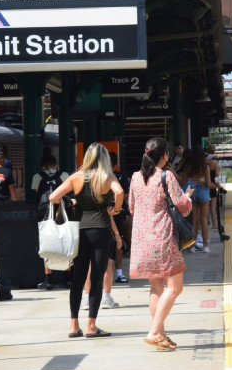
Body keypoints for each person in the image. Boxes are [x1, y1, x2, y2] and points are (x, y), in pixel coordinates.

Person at [48, 143, 124, 339]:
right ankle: (91, 325)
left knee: (78, 279)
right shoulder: (107, 177)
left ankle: (74, 325)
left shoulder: (76, 177)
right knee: (96, 279)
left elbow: (54, 197)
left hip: (79, 232)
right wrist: (115, 210)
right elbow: (120, 192)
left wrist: (71, 201)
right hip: (101, 231)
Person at [129, 136, 194, 351]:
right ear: (165, 155)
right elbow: (183, 207)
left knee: (156, 287)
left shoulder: (135, 177)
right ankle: (154, 331)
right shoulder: (167, 177)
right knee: (175, 287)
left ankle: (162, 336)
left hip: (142, 240)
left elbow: (131, 207)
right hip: (163, 238)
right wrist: (188, 197)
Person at [33, 153, 72, 290]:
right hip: (62, 214)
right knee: (64, 245)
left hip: (44, 217)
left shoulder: (37, 177)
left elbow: (34, 193)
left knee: (46, 247)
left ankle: (48, 281)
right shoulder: (64, 175)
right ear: (56, 165)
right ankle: (67, 279)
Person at [178, 147, 212, 252]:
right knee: (203, 220)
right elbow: (209, 184)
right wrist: (218, 185)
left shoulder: (188, 166)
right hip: (203, 193)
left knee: (194, 221)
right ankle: (205, 246)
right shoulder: (205, 167)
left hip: (192, 192)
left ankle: (192, 246)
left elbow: (183, 182)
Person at [109, 151, 131, 284]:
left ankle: (117, 273)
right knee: (117, 242)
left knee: (117, 241)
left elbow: (125, 194)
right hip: (117, 212)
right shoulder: (120, 176)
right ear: (116, 163)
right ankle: (118, 273)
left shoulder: (117, 176)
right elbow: (126, 193)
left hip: (113, 212)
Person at [204, 144, 229, 242]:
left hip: (204, 186)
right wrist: (218, 185)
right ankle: (214, 223)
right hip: (213, 186)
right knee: (213, 207)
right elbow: (217, 177)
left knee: (205, 206)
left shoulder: (202, 163)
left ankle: (207, 221)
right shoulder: (214, 164)